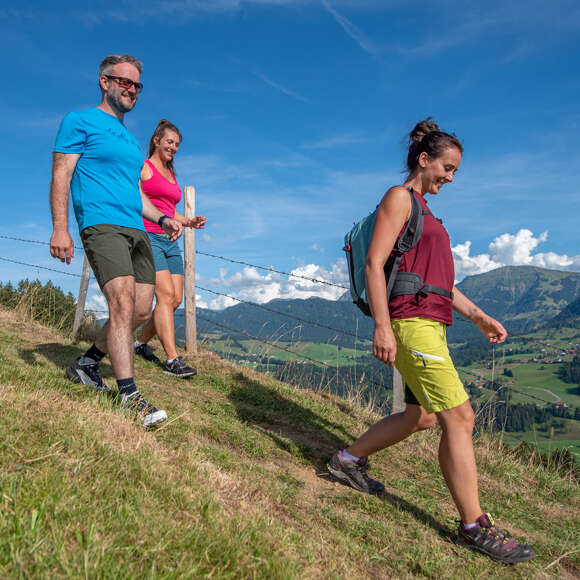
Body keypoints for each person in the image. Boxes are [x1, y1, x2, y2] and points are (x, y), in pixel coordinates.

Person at [327, 119, 535, 564]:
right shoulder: (399, 198)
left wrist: (479, 316)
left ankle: (347, 460)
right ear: (424, 160)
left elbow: (439, 283)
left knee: (420, 416)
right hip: (411, 324)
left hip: (430, 321)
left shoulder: (425, 212)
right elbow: (373, 263)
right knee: (459, 418)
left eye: (455, 171)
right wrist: (383, 326)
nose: (451, 177)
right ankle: (475, 526)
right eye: (447, 167)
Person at [49, 54, 182, 427]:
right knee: (121, 302)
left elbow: (135, 194)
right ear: (104, 82)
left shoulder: (128, 140)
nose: (131, 90)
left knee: (140, 310)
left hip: (136, 228)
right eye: (124, 82)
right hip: (100, 223)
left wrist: (162, 217)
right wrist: (60, 228)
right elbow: (61, 173)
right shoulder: (80, 121)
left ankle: (87, 363)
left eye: (137, 85)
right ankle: (130, 396)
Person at [133, 119, 206, 377]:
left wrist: (189, 221)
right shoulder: (144, 168)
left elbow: (170, 210)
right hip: (149, 236)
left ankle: (139, 344)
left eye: (177, 144)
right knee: (163, 296)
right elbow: (136, 199)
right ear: (156, 140)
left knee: (174, 299)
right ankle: (173, 360)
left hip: (171, 241)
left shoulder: (170, 173)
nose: (173, 147)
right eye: (169, 142)